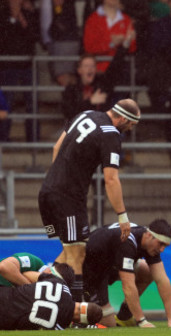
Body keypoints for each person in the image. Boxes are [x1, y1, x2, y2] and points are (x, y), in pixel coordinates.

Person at [39, 99, 140, 303]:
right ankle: (77, 314)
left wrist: (57, 178)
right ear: (121, 118)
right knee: (77, 256)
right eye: (130, 124)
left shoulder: (85, 114)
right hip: (68, 197)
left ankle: (39, 287)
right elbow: (111, 179)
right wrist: (122, 215)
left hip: (49, 191)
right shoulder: (111, 134)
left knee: (69, 254)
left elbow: (56, 147)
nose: (129, 129)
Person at [83, 219, 171, 328]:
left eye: (165, 246)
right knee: (109, 324)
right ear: (149, 235)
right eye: (161, 244)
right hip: (90, 273)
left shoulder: (148, 242)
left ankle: (124, 316)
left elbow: (162, 279)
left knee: (147, 271)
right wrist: (142, 321)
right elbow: (128, 286)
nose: (162, 249)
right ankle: (76, 319)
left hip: (109, 266)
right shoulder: (127, 242)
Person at [0, 273, 103, 330]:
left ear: (82, 303)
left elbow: (27, 274)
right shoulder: (57, 328)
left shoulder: (61, 284)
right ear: (81, 321)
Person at [0, 0, 40, 142]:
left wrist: (21, 18)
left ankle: (33, 138)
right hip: (7, 66)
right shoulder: (3, 15)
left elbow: (34, 37)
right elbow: (4, 39)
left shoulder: (29, 13)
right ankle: (3, 139)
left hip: (27, 65)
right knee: (6, 104)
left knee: (32, 104)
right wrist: (12, 19)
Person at [61, 49, 129, 122]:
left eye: (92, 66)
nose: (90, 69)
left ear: (96, 69)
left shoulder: (101, 84)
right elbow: (69, 113)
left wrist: (124, 45)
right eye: (86, 66)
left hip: (101, 127)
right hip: (79, 128)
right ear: (79, 70)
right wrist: (90, 102)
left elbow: (115, 67)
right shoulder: (71, 88)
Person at [83, 0, 137, 73]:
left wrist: (128, 40)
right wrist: (111, 44)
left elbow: (132, 49)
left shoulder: (126, 19)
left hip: (121, 70)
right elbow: (89, 48)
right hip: (99, 71)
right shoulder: (93, 19)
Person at [40, 0, 80, 87]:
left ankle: (71, 99)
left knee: (64, 78)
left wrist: (58, 9)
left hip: (64, 42)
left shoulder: (64, 5)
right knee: (61, 78)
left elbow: (64, 23)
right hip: (55, 42)